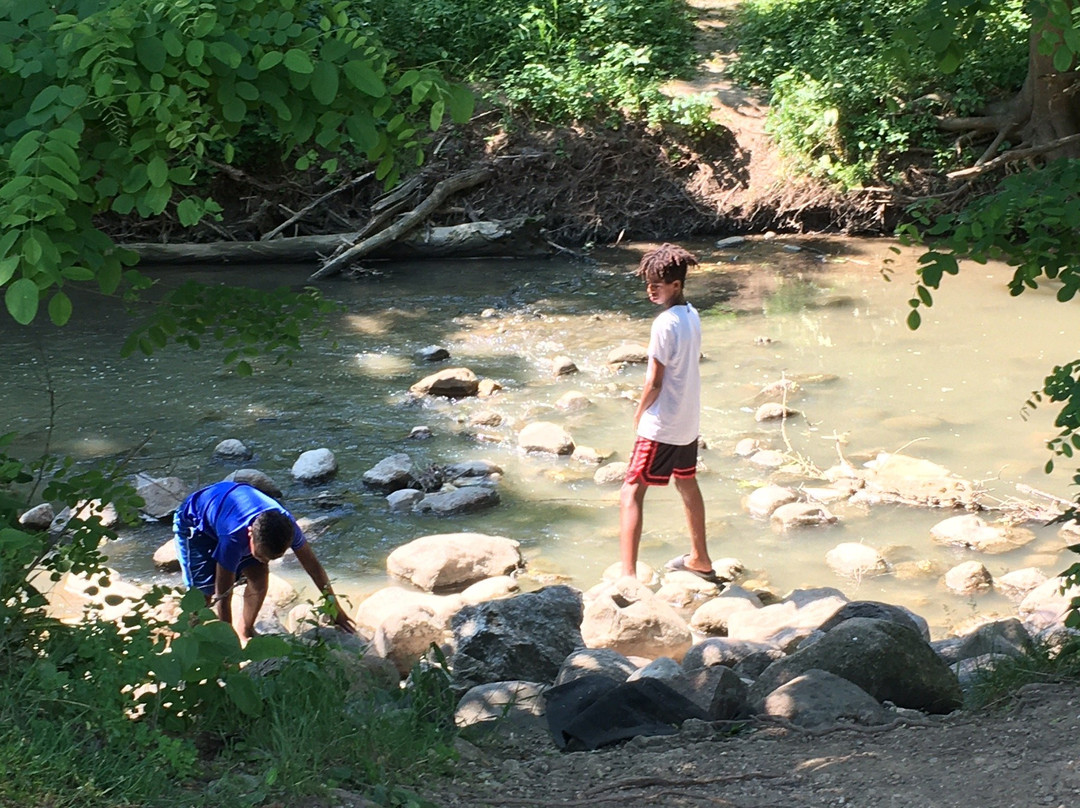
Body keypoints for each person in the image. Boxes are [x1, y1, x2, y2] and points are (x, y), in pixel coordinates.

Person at [619, 243, 721, 584]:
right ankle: (700, 559)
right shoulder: (691, 314)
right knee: (687, 482)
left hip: (662, 423)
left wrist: (639, 412)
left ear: (676, 285)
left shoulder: (664, 323)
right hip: (686, 421)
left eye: (657, 285)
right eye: (648, 284)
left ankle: (628, 577)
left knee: (631, 491)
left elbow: (655, 381)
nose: (651, 290)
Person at [173, 481, 356, 641]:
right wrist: (229, 646)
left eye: (271, 558)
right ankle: (189, 636)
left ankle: (245, 629)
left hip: (225, 514)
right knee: (203, 595)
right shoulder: (233, 538)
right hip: (195, 525)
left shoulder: (287, 527)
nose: (265, 561)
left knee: (260, 578)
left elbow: (314, 568)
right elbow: (223, 596)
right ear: (250, 534)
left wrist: (336, 610)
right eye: (261, 556)